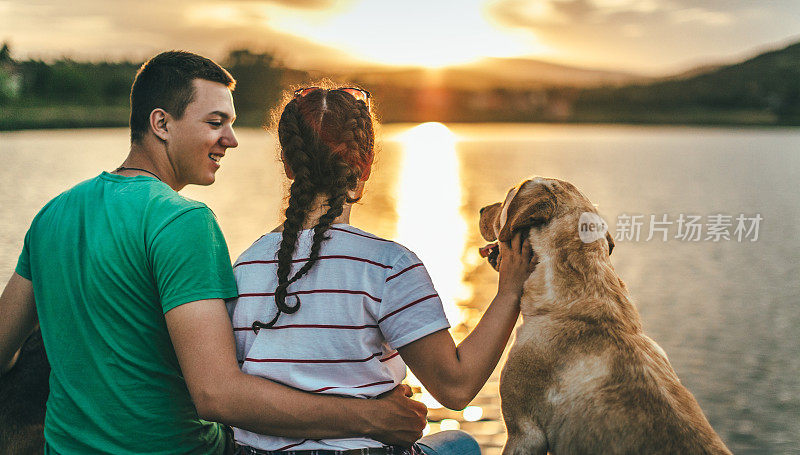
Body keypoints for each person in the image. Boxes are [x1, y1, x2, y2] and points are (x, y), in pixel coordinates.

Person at [0, 51, 426, 455]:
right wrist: (373, 417)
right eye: (216, 122)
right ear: (161, 123)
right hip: (181, 449)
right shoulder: (180, 220)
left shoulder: (52, 214)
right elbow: (217, 395)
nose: (232, 139)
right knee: (455, 445)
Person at [227, 86, 534, 454]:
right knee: (460, 442)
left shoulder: (244, 265)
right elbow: (455, 388)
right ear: (366, 164)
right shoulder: (388, 265)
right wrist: (509, 291)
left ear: (289, 164)